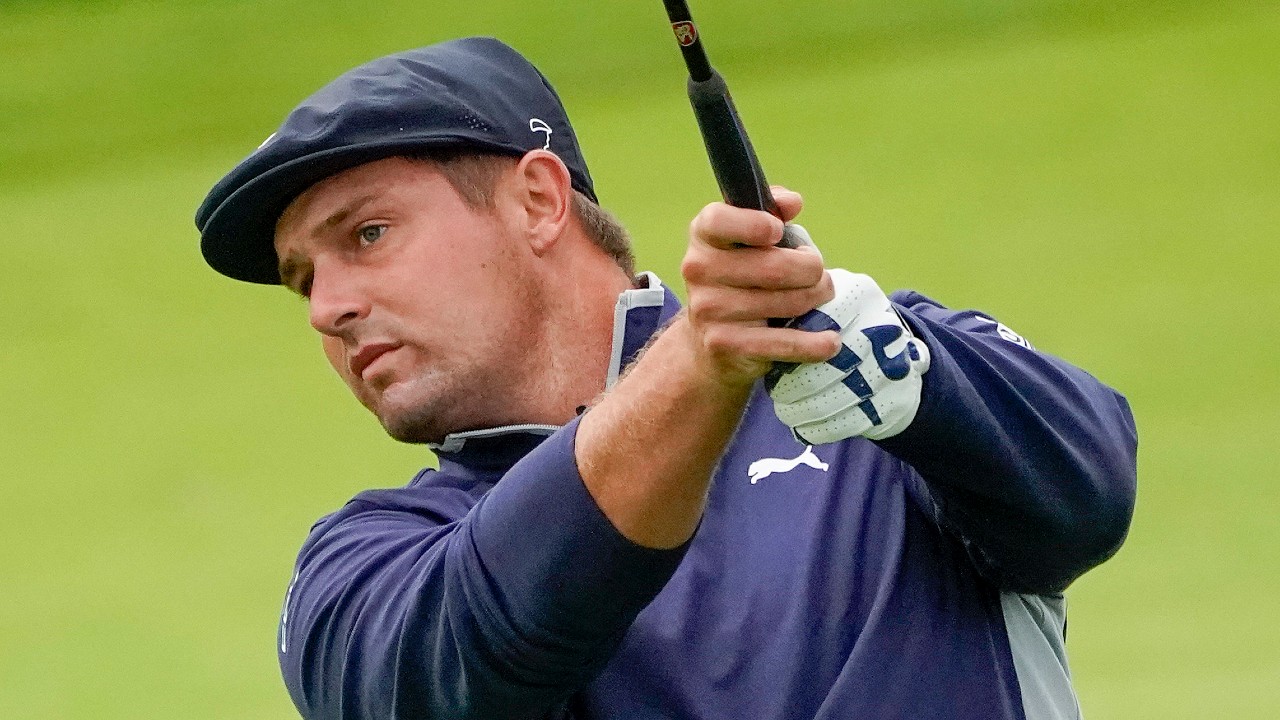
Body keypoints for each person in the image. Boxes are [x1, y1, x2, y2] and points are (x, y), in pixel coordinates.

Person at [196, 37, 1137, 720]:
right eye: (303, 279)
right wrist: (702, 363)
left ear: (537, 200)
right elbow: (466, 664)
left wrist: (923, 377)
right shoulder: (366, 569)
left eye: (366, 235)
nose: (327, 306)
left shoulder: (867, 380)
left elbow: (1090, 488)